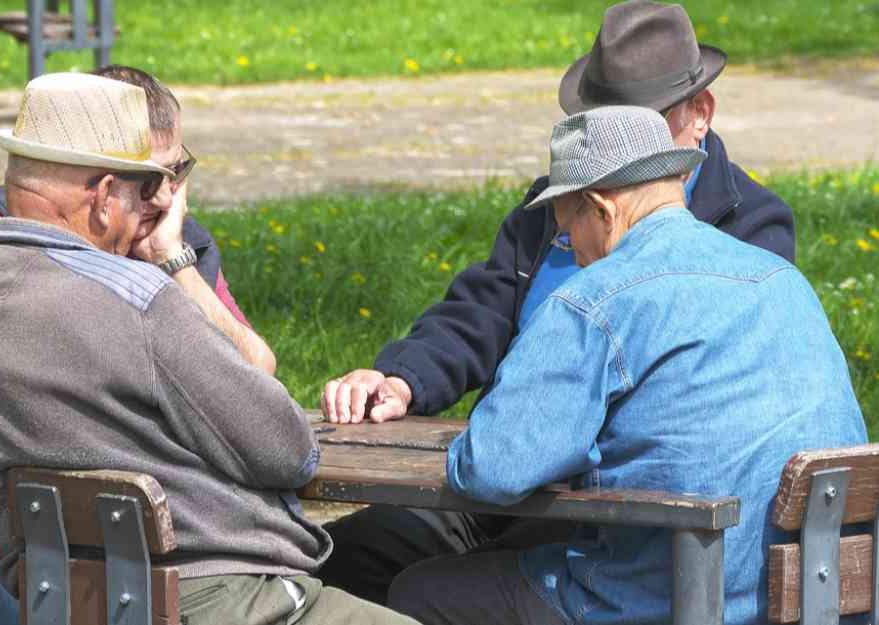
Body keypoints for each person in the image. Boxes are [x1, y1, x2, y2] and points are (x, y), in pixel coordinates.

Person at [318, 0, 797, 604]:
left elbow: (711, 418)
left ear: (700, 112)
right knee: (339, 557)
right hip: (522, 485)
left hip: (625, 516)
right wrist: (402, 377)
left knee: (431, 592)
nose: (614, 141)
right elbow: (483, 308)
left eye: (639, 121)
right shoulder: (561, 205)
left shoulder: (742, 232)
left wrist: (526, 444)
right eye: (600, 119)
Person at [0, 72, 417, 625]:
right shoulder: (137, 299)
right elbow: (287, 447)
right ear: (106, 195)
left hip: (59, 596)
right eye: (145, 187)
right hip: (218, 594)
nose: (157, 203)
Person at [384, 105, 866, 625]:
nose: (574, 253)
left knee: (420, 590)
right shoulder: (781, 280)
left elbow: (491, 470)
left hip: (665, 600)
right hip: (816, 598)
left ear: (601, 209)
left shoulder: (596, 302)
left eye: (567, 235)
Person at [0, 64, 277, 625]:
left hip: (178, 529)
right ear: (103, 184)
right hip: (23, 539)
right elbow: (49, 411)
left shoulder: (171, 243)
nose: (166, 196)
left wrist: (173, 265)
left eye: (177, 172)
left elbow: (257, 379)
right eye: (147, 180)